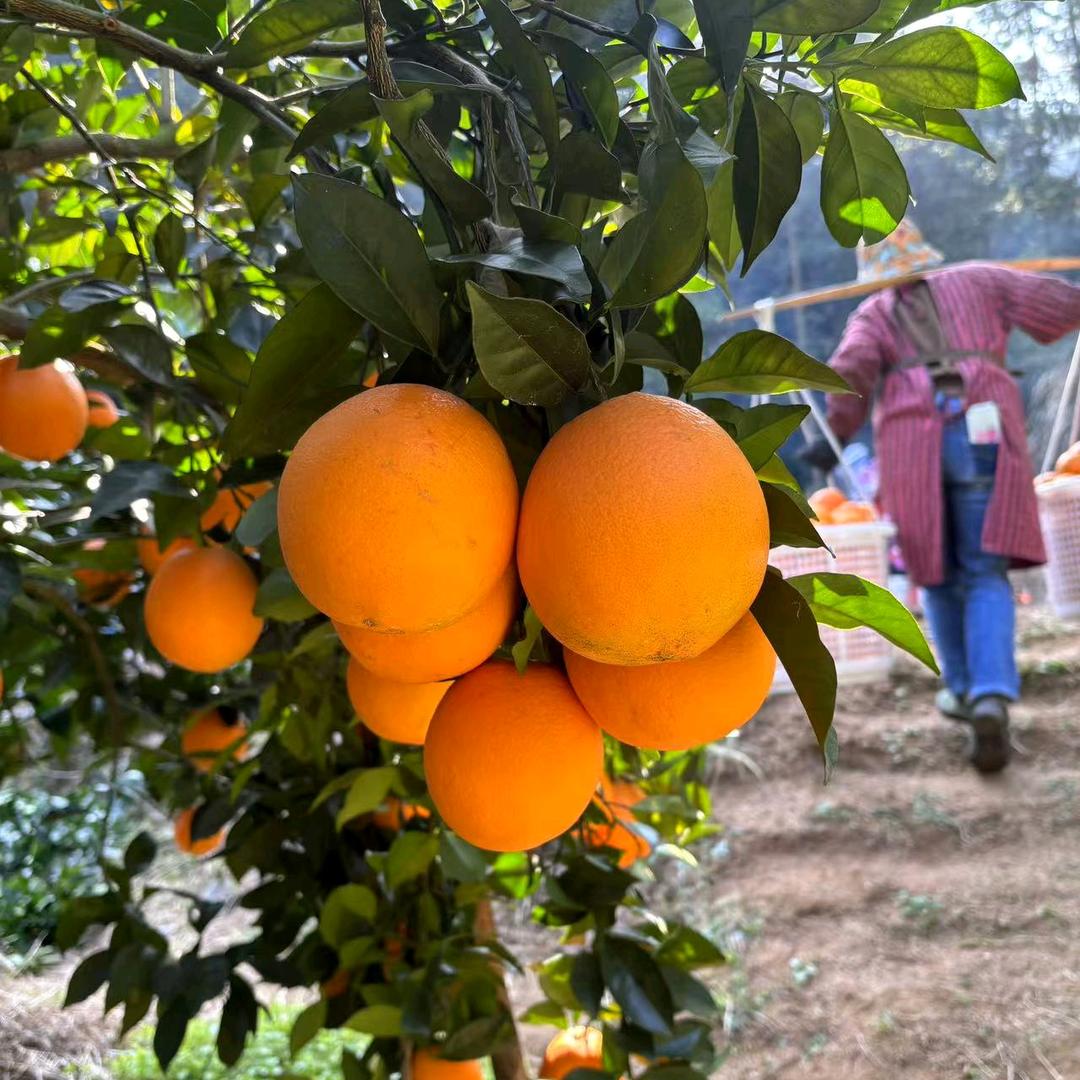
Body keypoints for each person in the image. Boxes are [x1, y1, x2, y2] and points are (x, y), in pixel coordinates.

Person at [817, 221, 1080, 773]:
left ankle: (960, 691)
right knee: (984, 573)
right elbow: (1056, 304)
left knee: (934, 574)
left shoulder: (875, 313)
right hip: (985, 431)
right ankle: (990, 695)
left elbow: (849, 374)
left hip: (914, 450)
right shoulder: (979, 279)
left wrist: (829, 438)